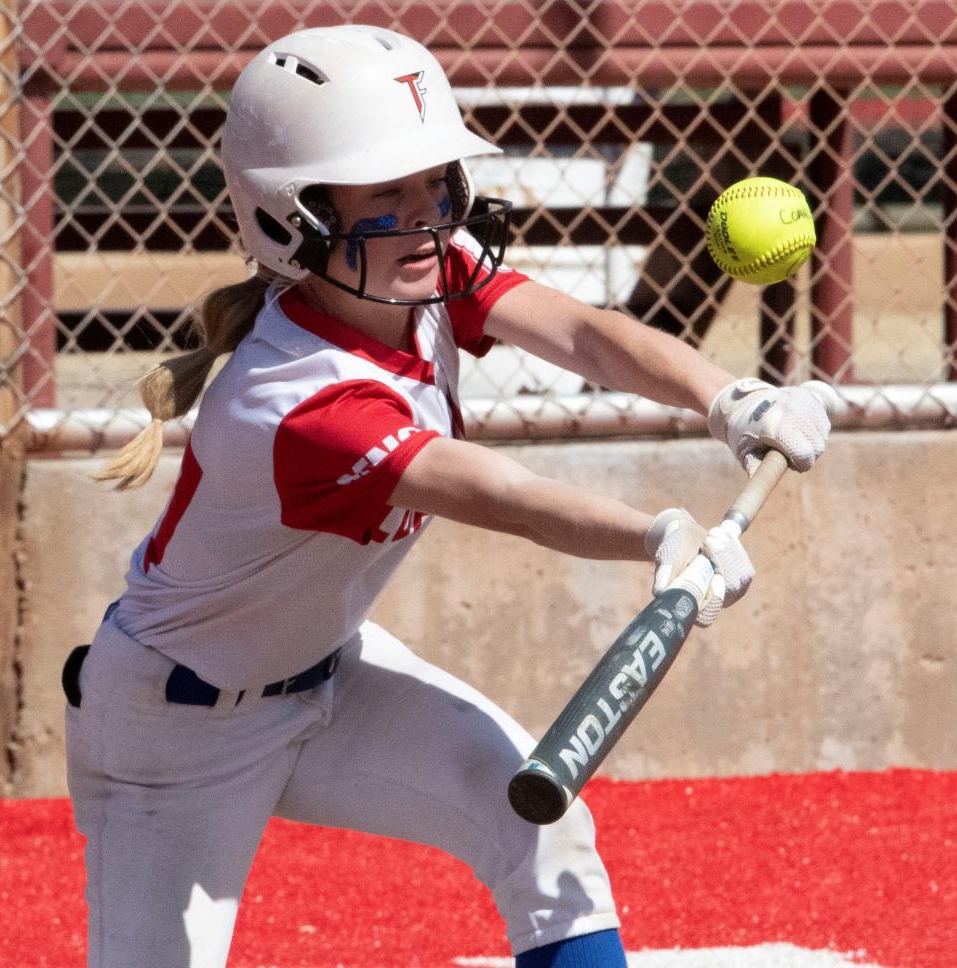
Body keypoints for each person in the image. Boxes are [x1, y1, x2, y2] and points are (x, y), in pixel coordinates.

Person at [64, 24, 835, 968]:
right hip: (171, 738)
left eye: (434, 181)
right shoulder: (293, 397)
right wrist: (659, 533)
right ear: (288, 215)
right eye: (386, 192)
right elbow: (496, 492)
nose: (427, 213)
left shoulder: (409, 270)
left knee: (543, 834)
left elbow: (582, 333)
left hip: (334, 678)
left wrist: (730, 399)